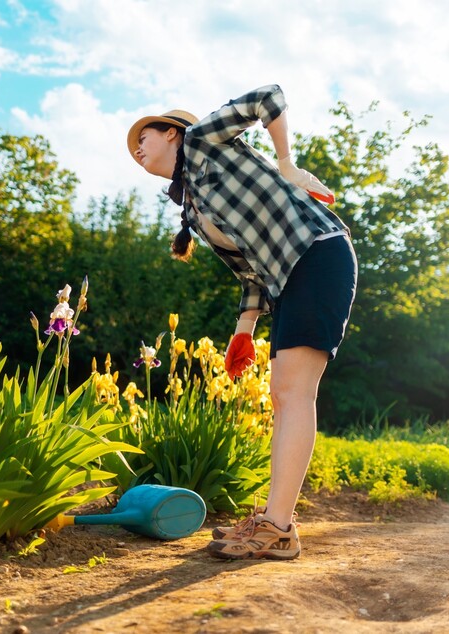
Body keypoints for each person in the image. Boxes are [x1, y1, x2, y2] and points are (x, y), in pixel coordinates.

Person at [127, 84, 357, 560]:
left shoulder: (204, 140)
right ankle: (277, 523)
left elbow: (267, 97)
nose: (137, 149)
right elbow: (250, 270)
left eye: (142, 137)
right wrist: (243, 332)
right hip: (287, 278)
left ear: (172, 133)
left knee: (294, 392)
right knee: (283, 393)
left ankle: (278, 527)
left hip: (317, 252)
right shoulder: (192, 207)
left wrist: (286, 164)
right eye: (133, 149)